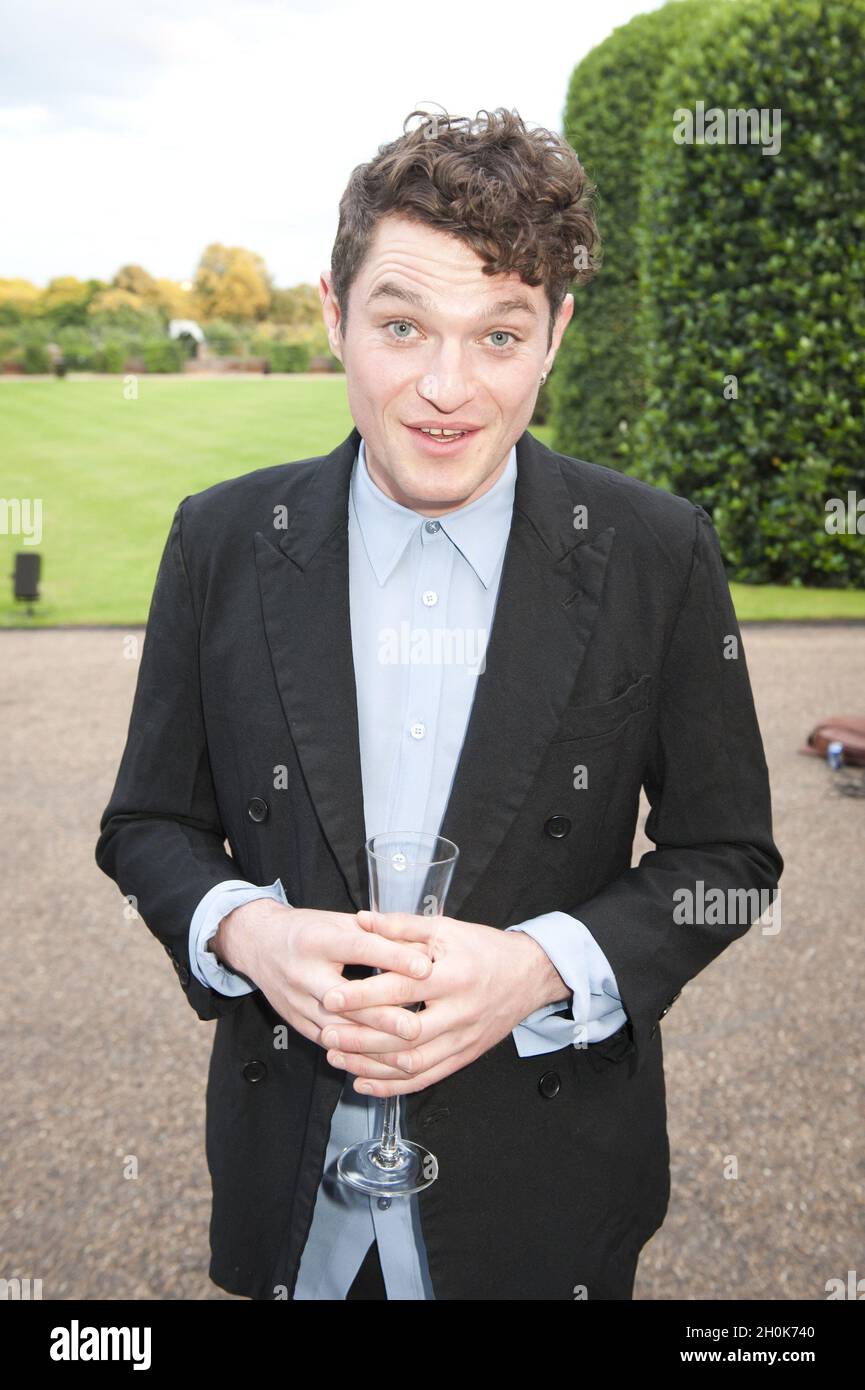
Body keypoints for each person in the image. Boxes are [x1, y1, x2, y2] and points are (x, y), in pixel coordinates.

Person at [95, 107, 783, 1301]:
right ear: (332, 313)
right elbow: (146, 823)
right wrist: (250, 934)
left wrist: (538, 966)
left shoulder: (655, 550)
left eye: (498, 333)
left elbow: (727, 853)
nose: (445, 390)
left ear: (556, 335)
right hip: (289, 1201)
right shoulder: (219, 539)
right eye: (402, 325)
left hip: (543, 1203)